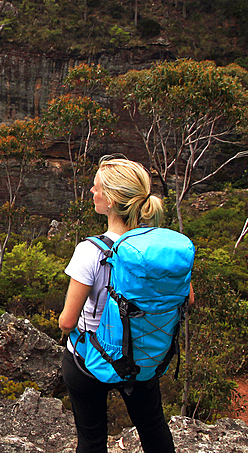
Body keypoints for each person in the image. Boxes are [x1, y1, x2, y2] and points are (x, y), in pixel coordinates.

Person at [58, 155, 192, 453]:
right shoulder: (161, 251)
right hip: (141, 358)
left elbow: (68, 322)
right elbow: (188, 298)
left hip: (88, 362)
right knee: (153, 428)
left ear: (112, 200)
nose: (92, 192)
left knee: (91, 439)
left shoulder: (90, 251)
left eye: (97, 188)